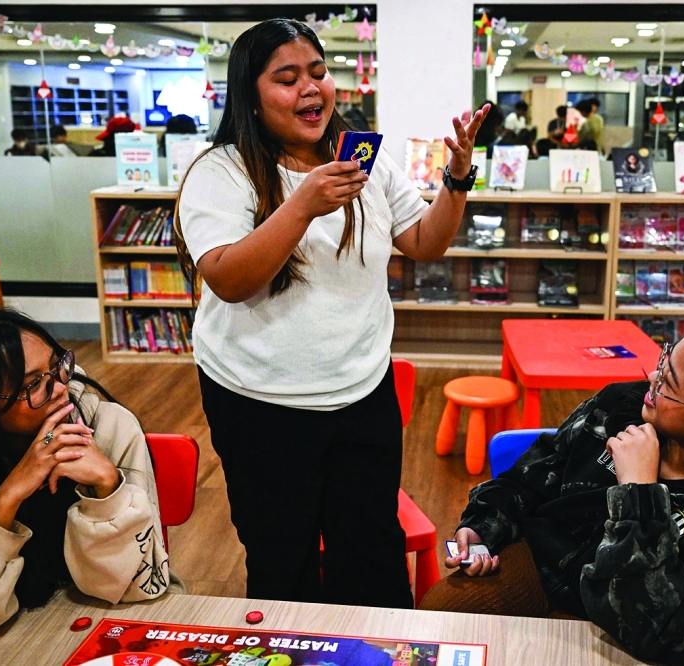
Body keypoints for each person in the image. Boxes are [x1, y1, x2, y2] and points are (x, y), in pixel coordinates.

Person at [173, 18, 487, 609]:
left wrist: (457, 177)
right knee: (281, 557)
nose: (311, 89)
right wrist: (303, 204)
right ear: (251, 95)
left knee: (370, 550)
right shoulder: (220, 171)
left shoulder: (363, 158)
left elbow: (423, 242)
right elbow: (229, 279)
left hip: (361, 390)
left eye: (318, 72)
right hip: (258, 400)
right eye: (287, 79)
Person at [421, 315, 684, 666]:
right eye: (664, 360)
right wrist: (481, 529)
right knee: (443, 615)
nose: (651, 379)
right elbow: (526, 479)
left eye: (668, 384)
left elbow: (671, 634)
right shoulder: (620, 405)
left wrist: (639, 494)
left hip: (632, 621)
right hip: (542, 568)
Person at [0, 307, 182, 645]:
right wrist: (5, 502)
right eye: (33, 384)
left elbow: (140, 587)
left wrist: (108, 490)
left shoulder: (110, 427)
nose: (59, 388)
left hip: (104, 625)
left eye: (57, 365)